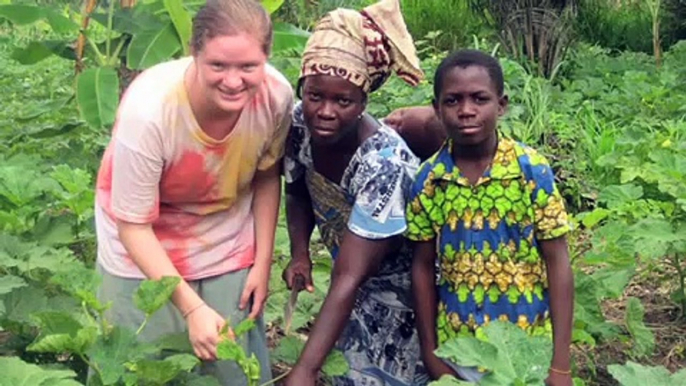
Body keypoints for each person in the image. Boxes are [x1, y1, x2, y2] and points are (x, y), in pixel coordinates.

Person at [92, 0, 294, 384]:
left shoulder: (275, 98)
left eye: (248, 67)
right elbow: (132, 225)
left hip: (225, 238)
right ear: (194, 53)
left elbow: (267, 175)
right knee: (143, 365)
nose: (233, 81)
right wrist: (191, 309)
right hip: (140, 245)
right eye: (218, 65)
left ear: (266, 58)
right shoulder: (151, 110)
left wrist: (262, 262)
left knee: (232, 366)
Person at [281, 0, 430, 385]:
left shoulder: (383, 163)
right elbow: (297, 188)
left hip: (407, 295)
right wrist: (300, 254)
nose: (325, 111)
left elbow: (349, 276)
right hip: (354, 285)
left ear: (364, 101)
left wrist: (304, 369)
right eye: (315, 95)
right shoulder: (299, 122)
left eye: (343, 100)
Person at [404, 49, 574, 386]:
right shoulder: (429, 179)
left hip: (528, 349)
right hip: (459, 349)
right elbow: (422, 266)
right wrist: (431, 354)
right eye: (452, 101)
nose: (466, 111)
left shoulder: (531, 171)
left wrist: (560, 364)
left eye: (479, 99)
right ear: (437, 108)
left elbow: (558, 260)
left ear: (501, 104)